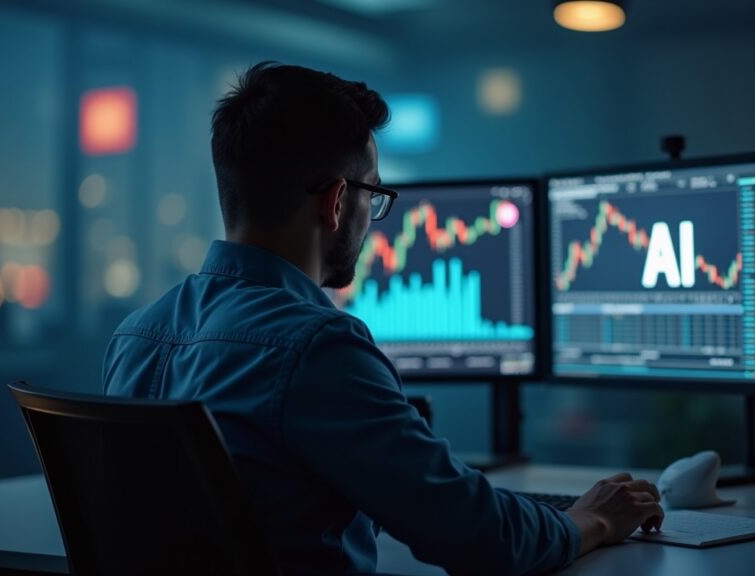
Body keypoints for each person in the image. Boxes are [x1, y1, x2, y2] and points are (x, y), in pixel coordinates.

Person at [103, 61, 663, 575]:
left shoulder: (136, 337)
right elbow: (480, 537)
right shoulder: (316, 347)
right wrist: (590, 519)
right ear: (337, 202)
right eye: (375, 193)